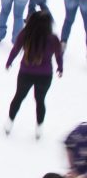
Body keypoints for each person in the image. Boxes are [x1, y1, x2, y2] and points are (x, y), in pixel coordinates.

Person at [5, 11, 64, 139]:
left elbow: (15, 49)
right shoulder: (53, 38)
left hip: (26, 73)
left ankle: (9, 123)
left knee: (18, 97)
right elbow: (58, 55)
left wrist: (9, 62)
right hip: (45, 75)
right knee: (40, 100)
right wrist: (60, 67)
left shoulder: (25, 34)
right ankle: (39, 128)